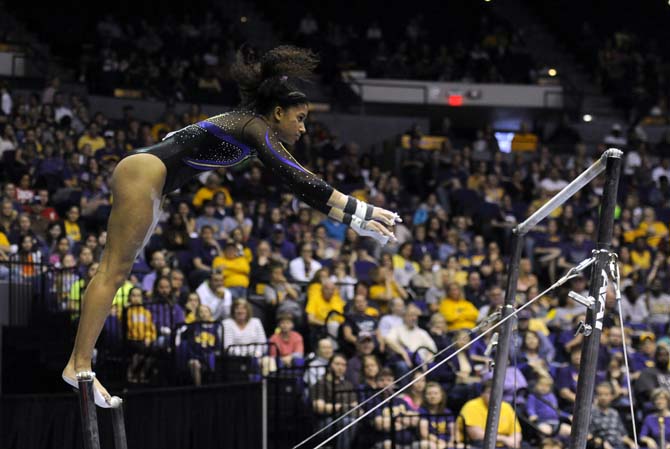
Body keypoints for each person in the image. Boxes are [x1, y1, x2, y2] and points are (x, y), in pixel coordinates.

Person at [63, 45, 400, 407]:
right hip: (145, 171)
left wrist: (355, 220)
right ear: (277, 112)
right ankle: (78, 364)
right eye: (299, 118)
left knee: (117, 271)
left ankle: (79, 363)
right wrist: (361, 209)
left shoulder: (253, 130)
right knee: (112, 271)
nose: (302, 128)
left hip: (153, 178)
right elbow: (302, 179)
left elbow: (302, 187)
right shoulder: (252, 125)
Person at [459, 380, 522, 449]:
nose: (494, 396)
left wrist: (514, 441)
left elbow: (516, 431)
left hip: (505, 444)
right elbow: (475, 435)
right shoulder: (471, 406)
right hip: (480, 444)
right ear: (482, 393)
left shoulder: (506, 407)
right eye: (490, 393)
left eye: (498, 393)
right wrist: (504, 439)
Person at [588, 382, 636, 449]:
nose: (603, 397)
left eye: (606, 395)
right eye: (600, 394)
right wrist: (602, 443)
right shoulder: (590, 412)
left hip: (619, 445)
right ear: (596, 396)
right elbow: (587, 435)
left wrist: (632, 443)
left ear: (611, 396)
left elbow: (623, 435)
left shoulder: (614, 413)